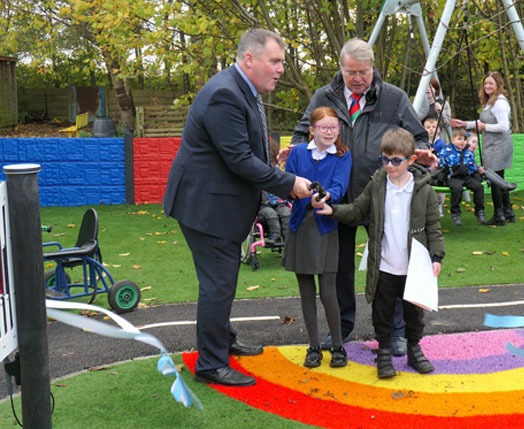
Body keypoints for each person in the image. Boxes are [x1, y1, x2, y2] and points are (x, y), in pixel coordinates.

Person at [164, 28, 313, 387]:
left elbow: (245, 149)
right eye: (275, 61)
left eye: (281, 62)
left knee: (222, 282)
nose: (280, 69)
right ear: (250, 59)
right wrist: (288, 182)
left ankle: (223, 341)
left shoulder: (242, 89)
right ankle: (211, 365)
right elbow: (239, 160)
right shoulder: (225, 95)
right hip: (206, 209)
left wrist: (274, 160)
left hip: (215, 205)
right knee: (218, 285)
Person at [288, 38, 430, 356]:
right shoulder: (324, 96)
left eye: (364, 72)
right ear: (341, 68)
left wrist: (413, 171)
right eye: (352, 72)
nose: (358, 79)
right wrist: (295, 154)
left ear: (372, 67)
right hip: (335, 200)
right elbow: (301, 133)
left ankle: (394, 332)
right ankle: (342, 328)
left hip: (382, 197)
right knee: (338, 270)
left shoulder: (394, 98)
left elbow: (418, 137)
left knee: (391, 267)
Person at [313, 128, 444, 379]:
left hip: (413, 266)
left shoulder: (423, 190)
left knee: (413, 315)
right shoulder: (377, 185)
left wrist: (436, 256)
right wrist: (333, 210)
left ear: (411, 160)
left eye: (396, 160)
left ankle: (414, 350)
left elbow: (433, 227)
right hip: (384, 266)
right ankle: (383, 354)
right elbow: (356, 210)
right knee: (381, 314)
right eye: (385, 159)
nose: (389, 165)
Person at [282, 106, 352, 368]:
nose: (330, 132)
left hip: (326, 228)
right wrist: (302, 195)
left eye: (334, 127)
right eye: (324, 127)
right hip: (300, 226)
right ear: (312, 130)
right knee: (306, 292)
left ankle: (337, 346)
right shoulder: (298, 152)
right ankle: (313, 347)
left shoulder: (343, 155)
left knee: (328, 293)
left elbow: (339, 187)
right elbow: (289, 184)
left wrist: (324, 197)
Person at [453, 72, 516, 226]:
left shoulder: (499, 103)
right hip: (493, 144)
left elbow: (503, 126)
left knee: (495, 180)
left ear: (498, 85)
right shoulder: (489, 102)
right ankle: (508, 212)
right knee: (499, 179)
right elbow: (480, 123)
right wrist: (464, 124)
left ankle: (498, 215)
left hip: (499, 145)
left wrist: (484, 127)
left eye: (491, 84)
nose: (487, 86)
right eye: (485, 83)